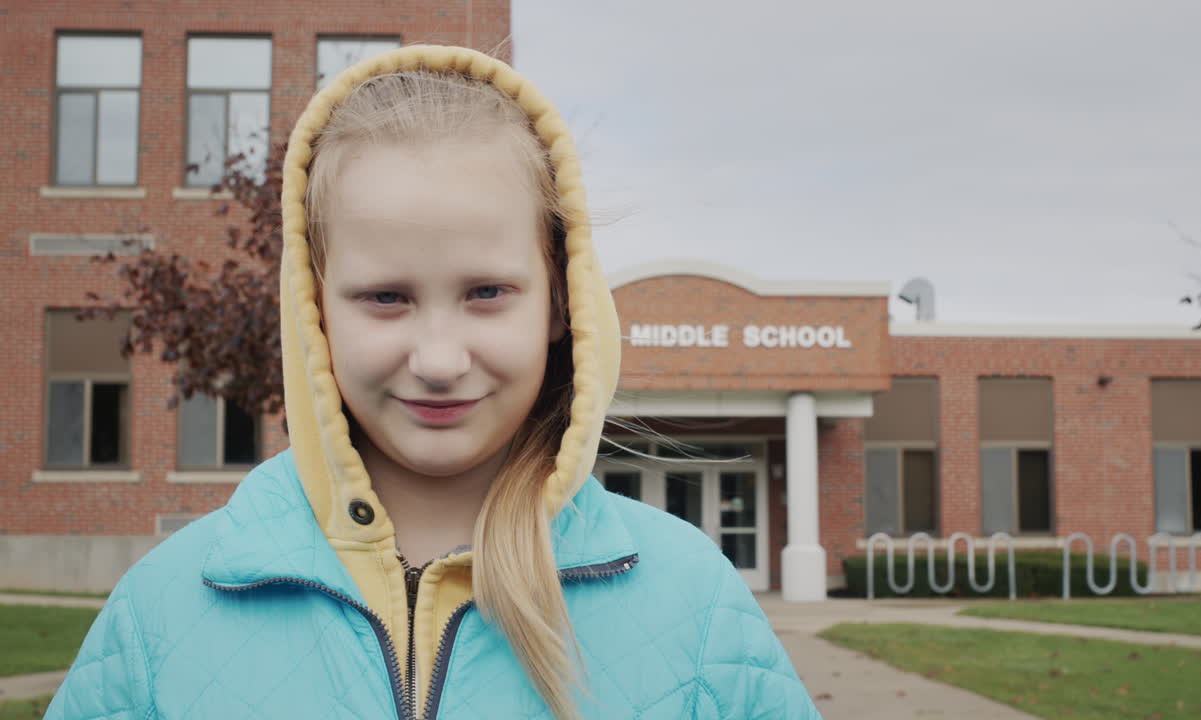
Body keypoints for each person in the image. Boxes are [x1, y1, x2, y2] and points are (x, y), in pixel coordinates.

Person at [48, 45, 821, 719]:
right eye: (387, 298)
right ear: (315, 311)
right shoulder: (162, 613)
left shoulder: (694, 605)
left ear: (560, 301)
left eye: (487, 292)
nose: (441, 359)